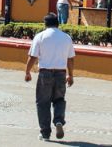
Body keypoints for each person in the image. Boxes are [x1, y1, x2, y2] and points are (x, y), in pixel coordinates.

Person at [24, 13, 75, 141]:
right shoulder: (66, 37)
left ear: (45, 24)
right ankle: (58, 121)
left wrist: (27, 72)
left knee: (43, 102)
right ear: (58, 23)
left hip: (45, 73)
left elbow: (33, 57)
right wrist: (71, 75)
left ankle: (45, 133)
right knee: (59, 99)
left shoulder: (40, 36)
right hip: (61, 73)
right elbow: (70, 59)